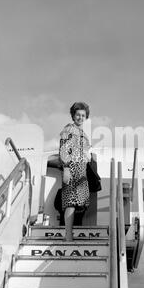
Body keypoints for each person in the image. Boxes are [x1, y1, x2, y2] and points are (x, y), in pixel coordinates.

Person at [59, 102, 91, 241]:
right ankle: (67, 235)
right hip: (72, 167)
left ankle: (73, 229)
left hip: (81, 169)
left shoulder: (82, 132)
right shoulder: (69, 129)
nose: (80, 117)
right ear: (73, 115)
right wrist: (66, 168)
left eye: (83, 115)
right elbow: (64, 149)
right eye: (78, 114)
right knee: (71, 202)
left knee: (81, 201)